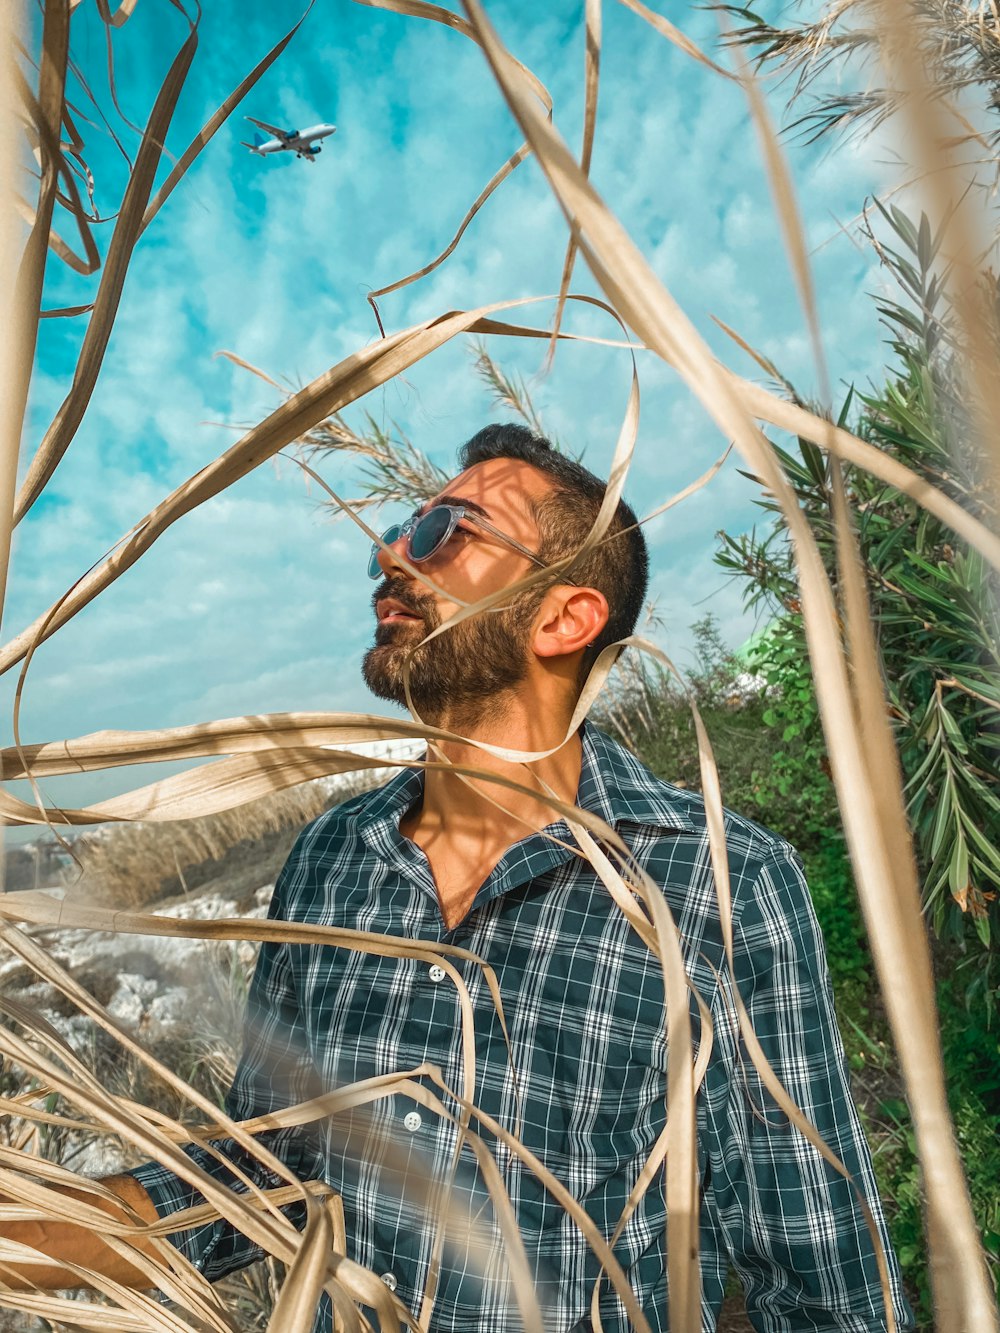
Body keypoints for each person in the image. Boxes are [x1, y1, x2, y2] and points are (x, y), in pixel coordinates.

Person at [3, 424, 913, 1331]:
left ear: (565, 617)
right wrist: (42, 1234)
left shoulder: (720, 879)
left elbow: (825, 1279)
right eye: (409, 523)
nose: (390, 551)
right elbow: (265, 1170)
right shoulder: (333, 857)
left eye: (448, 529)